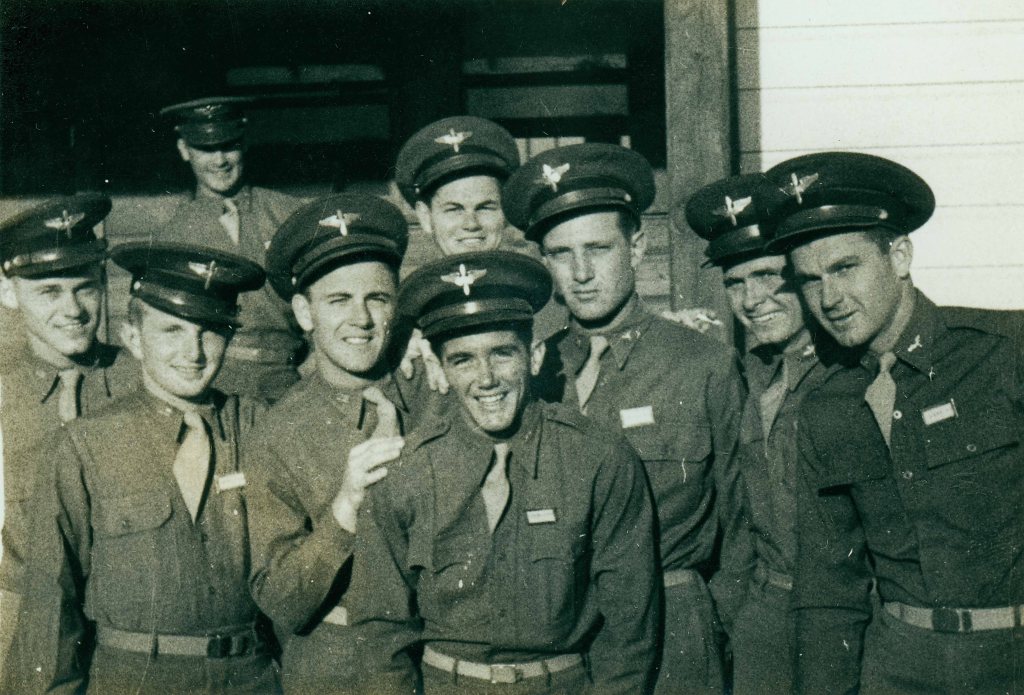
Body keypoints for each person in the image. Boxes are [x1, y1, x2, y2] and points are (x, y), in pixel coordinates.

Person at [764, 151, 1024, 694]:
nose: (829, 299)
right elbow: (829, 590)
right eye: (809, 280)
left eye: (845, 268)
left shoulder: (1005, 354)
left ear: (899, 256)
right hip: (899, 668)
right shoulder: (828, 406)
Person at [351, 250, 659, 694]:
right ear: (439, 368)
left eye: (501, 354)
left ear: (533, 356)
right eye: (463, 360)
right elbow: (381, 632)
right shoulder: (407, 474)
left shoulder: (597, 459)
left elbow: (630, 627)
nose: (486, 378)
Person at [503, 143, 746, 695]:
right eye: (561, 253)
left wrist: (717, 627)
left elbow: (743, 518)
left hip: (672, 629)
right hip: (559, 635)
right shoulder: (532, 372)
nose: (581, 273)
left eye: (598, 248)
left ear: (636, 248)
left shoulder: (701, 364)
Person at [5, 242, 280, 694]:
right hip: (135, 679)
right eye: (171, 330)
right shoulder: (84, 445)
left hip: (251, 678)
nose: (193, 352)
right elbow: (52, 605)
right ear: (133, 338)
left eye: (210, 331)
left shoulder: (259, 427)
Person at [248, 193, 433, 694]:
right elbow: (281, 599)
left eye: (377, 298)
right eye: (338, 300)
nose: (362, 319)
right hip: (344, 666)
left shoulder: (433, 391)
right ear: (304, 313)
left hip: (445, 656)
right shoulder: (279, 434)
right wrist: (345, 508)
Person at [684, 174, 834, 694]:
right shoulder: (747, 373)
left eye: (769, 275)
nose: (752, 299)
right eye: (735, 282)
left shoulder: (849, 369)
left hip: (841, 610)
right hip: (764, 613)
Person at [0, 193, 138, 680]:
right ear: (9, 293)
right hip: (20, 626)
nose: (73, 309)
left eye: (85, 288)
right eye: (49, 292)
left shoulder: (143, 383)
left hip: (129, 630)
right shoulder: (2, 399)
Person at [155, 96, 305, 401]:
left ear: (244, 142)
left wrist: (311, 369)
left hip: (291, 374)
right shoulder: (171, 236)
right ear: (184, 150)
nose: (220, 160)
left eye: (229, 146)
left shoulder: (287, 214)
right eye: (206, 149)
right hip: (213, 379)